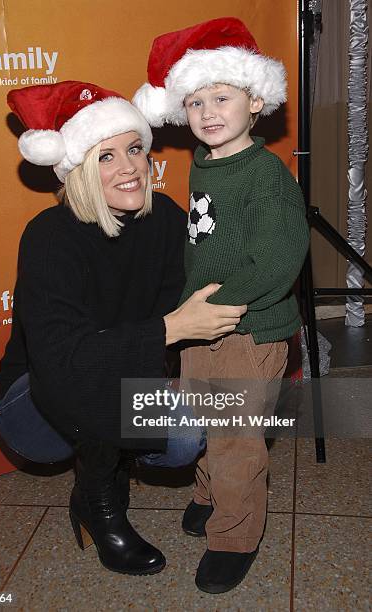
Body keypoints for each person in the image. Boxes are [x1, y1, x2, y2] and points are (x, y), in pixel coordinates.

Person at [0, 80, 247, 577]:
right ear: (79, 169)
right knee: (100, 378)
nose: (130, 166)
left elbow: (217, 274)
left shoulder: (164, 219)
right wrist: (169, 330)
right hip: (33, 402)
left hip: (117, 384)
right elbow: (65, 362)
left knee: (183, 431)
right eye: (106, 156)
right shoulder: (50, 237)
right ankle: (101, 503)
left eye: (134, 149)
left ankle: (104, 462)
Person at [134, 17, 310, 592]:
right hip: (202, 326)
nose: (208, 112)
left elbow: (279, 261)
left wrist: (219, 306)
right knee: (208, 425)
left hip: (248, 329)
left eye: (222, 97)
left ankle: (237, 535)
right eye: (194, 102)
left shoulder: (266, 177)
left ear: (255, 99)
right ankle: (211, 497)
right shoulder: (204, 163)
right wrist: (190, 316)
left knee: (236, 440)